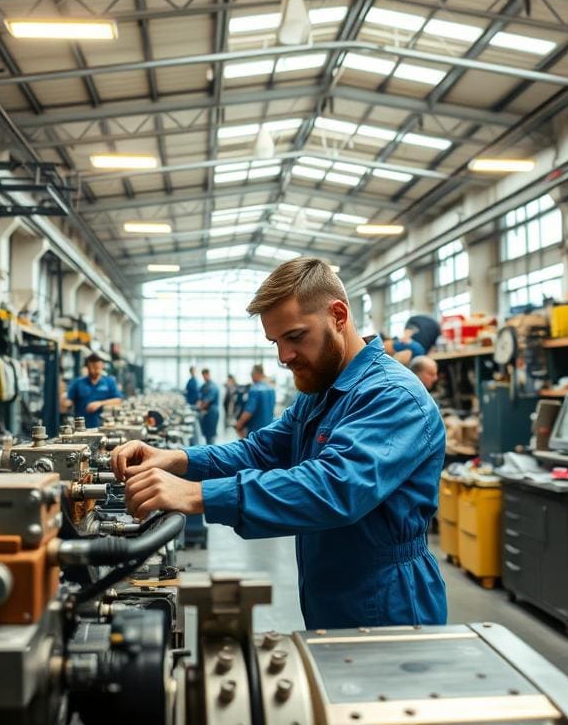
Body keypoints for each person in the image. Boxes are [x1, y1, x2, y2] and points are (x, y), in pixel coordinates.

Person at [111, 257, 447, 630]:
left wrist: (197, 495)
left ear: (338, 315)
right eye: (275, 342)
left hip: (388, 602)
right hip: (331, 589)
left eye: (295, 337)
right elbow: (260, 451)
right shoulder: (321, 390)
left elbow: (335, 488)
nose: (283, 357)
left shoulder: (392, 395)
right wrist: (176, 459)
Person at [67, 353, 124, 428]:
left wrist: (100, 403)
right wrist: (65, 402)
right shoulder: (78, 383)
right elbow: (68, 402)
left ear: (102, 366)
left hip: (104, 426)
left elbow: (119, 400)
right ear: (87, 367)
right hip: (82, 427)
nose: (96, 370)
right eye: (93, 367)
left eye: (98, 367)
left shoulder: (109, 382)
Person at [234, 364, 275, 438]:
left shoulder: (255, 390)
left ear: (257, 374)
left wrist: (239, 424)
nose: (251, 377)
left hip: (256, 432)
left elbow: (248, 411)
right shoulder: (271, 389)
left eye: (252, 374)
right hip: (269, 430)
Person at [196, 368, 220, 445]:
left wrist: (199, 408)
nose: (204, 377)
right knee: (206, 434)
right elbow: (200, 397)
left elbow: (207, 401)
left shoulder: (212, 386)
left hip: (212, 412)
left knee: (211, 435)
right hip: (206, 413)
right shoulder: (204, 386)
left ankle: (211, 452)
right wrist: (198, 405)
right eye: (203, 375)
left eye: (205, 375)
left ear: (208, 374)